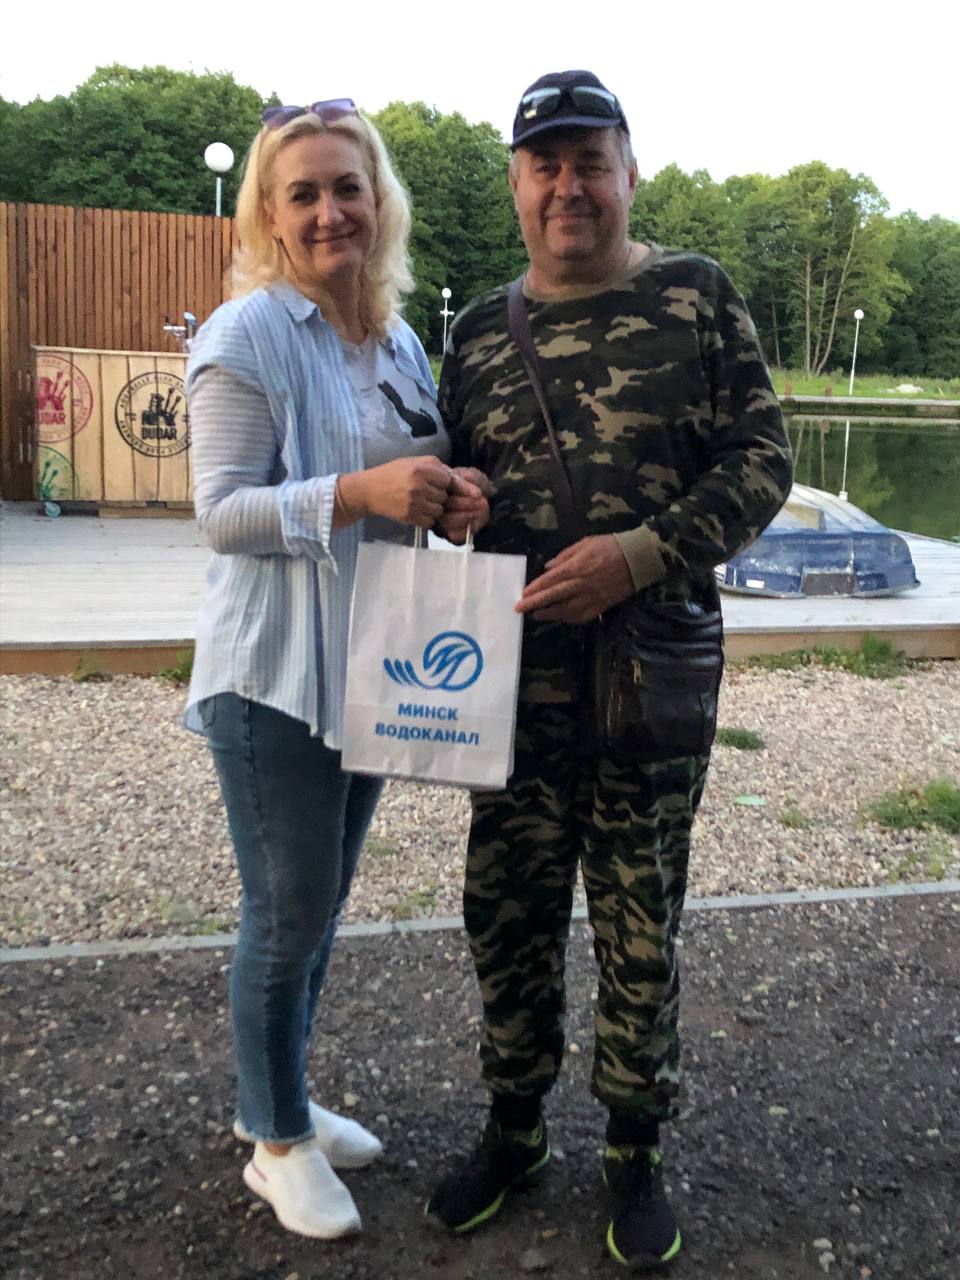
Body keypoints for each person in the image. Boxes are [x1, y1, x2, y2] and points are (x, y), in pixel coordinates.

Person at [428, 70, 793, 1267]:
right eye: (546, 165)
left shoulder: (695, 295)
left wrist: (637, 555)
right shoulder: (480, 333)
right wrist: (449, 501)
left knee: (641, 923)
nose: (569, 186)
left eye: (592, 162)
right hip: (504, 687)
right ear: (517, 185)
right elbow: (452, 480)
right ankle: (515, 1126)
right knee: (507, 915)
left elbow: (762, 462)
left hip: (649, 676)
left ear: (630, 173)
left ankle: (635, 1146)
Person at [182, 99, 488, 1241]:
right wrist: (359, 494)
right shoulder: (246, 333)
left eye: (346, 187)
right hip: (273, 675)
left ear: (378, 201)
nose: (328, 212)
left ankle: (279, 1096)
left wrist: (449, 498)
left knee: (319, 906)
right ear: (269, 214)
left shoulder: (395, 340)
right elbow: (221, 513)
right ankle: (276, 1144)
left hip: (372, 663)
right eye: (301, 193)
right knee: (286, 911)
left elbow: (409, 479)